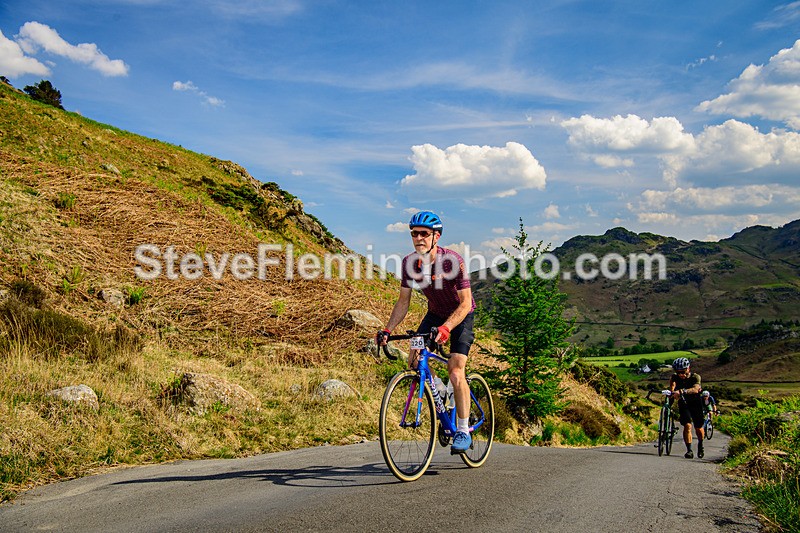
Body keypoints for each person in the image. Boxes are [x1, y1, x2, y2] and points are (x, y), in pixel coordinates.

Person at [376, 211, 476, 454]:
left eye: (424, 233)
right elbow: (403, 302)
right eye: (414, 234)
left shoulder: (453, 261)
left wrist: (447, 328)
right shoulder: (410, 263)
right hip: (435, 313)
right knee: (415, 359)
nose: (418, 238)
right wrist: (389, 329)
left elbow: (465, 303)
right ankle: (440, 391)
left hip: (460, 314)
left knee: (455, 369)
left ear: (436, 237)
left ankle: (463, 430)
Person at [669, 357, 705, 458]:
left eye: (683, 371)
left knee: (698, 427)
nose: (681, 374)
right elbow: (672, 385)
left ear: (688, 369)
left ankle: (700, 444)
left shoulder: (695, 377)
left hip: (695, 402)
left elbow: (696, 389)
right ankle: (689, 450)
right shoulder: (675, 377)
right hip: (684, 403)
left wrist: (682, 391)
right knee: (687, 425)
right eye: (678, 372)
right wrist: (672, 393)